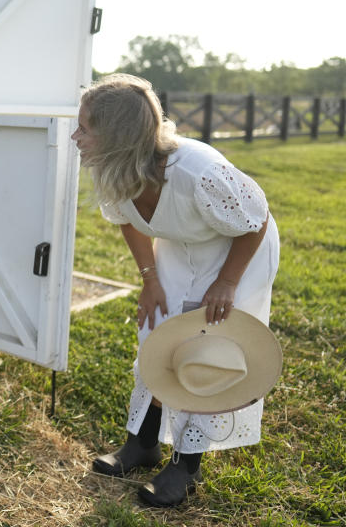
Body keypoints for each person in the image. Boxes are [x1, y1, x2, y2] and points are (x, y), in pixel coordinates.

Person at [70, 73, 280, 507]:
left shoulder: (200, 174)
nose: (75, 136)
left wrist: (226, 283)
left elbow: (254, 221)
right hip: (183, 241)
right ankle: (142, 443)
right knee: (158, 334)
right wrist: (149, 281)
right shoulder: (116, 167)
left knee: (207, 349)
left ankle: (186, 468)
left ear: (116, 135)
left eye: (84, 128)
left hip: (237, 249)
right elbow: (128, 219)